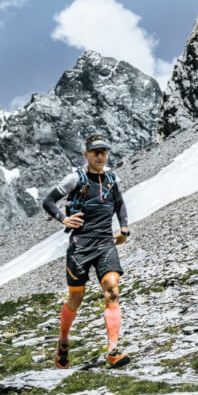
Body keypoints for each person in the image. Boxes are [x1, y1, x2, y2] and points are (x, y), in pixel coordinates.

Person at [42, 134, 131, 369]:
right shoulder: (75, 179)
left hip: (105, 244)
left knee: (112, 290)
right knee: (76, 298)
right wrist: (63, 219)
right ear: (86, 155)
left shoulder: (112, 179)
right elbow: (48, 201)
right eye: (95, 152)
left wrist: (124, 229)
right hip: (80, 248)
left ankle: (113, 350)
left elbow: (120, 204)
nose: (100, 156)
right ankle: (63, 340)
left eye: (103, 152)